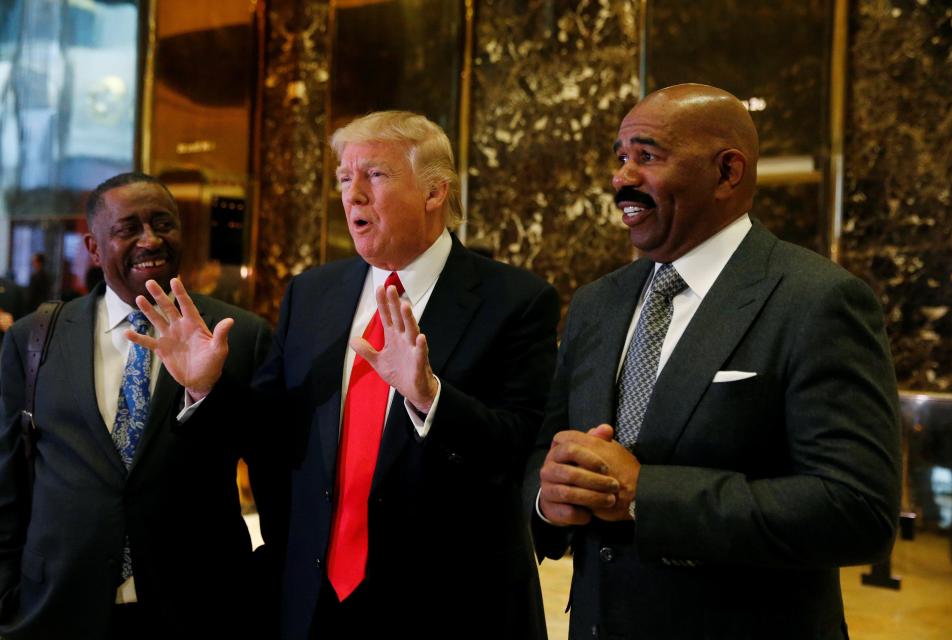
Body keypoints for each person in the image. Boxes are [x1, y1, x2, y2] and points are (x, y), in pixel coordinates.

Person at [129, 111, 559, 639]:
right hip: (316, 601)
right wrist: (205, 387)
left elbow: (520, 449)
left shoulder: (515, 300)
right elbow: (270, 431)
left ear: (435, 192)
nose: (352, 195)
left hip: (450, 605)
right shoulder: (313, 294)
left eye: (374, 175)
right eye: (343, 178)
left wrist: (432, 400)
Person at [525, 84, 901, 639]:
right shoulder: (595, 303)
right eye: (620, 157)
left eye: (647, 156)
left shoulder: (816, 300)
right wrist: (546, 497)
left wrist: (646, 495)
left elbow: (856, 510)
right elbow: (547, 448)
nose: (622, 178)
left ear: (727, 172)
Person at [0, 172, 274, 639]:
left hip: (196, 609)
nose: (151, 240)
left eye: (162, 224)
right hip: (55, 609)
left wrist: (206, 391)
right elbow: (6, 483)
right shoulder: (33, 339)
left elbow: (274, 469)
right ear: (93, 247)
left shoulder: (240, 336)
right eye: (129, 228)